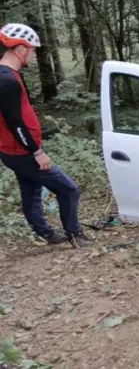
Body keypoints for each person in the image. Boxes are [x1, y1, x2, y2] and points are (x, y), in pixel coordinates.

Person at [0, 23, 92, 248]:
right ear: (20, 49)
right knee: (68, 189)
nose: (33, 54)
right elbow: (16, 123)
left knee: (31, 188)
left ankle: (43, 233)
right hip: (20, 151)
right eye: (32, 50)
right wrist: (37, 152)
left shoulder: (7, 75)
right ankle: (74, 234)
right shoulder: (7, 80)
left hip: (13, 150)